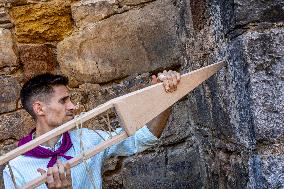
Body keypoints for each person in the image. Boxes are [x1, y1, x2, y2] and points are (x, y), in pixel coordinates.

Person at [3, 70, 181, 189]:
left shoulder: (87, 139)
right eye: (63, 101)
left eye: (69, 99)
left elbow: (140, 139)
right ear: (39, 109)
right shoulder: (15, 167)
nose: (73, 106)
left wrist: (165, 97)